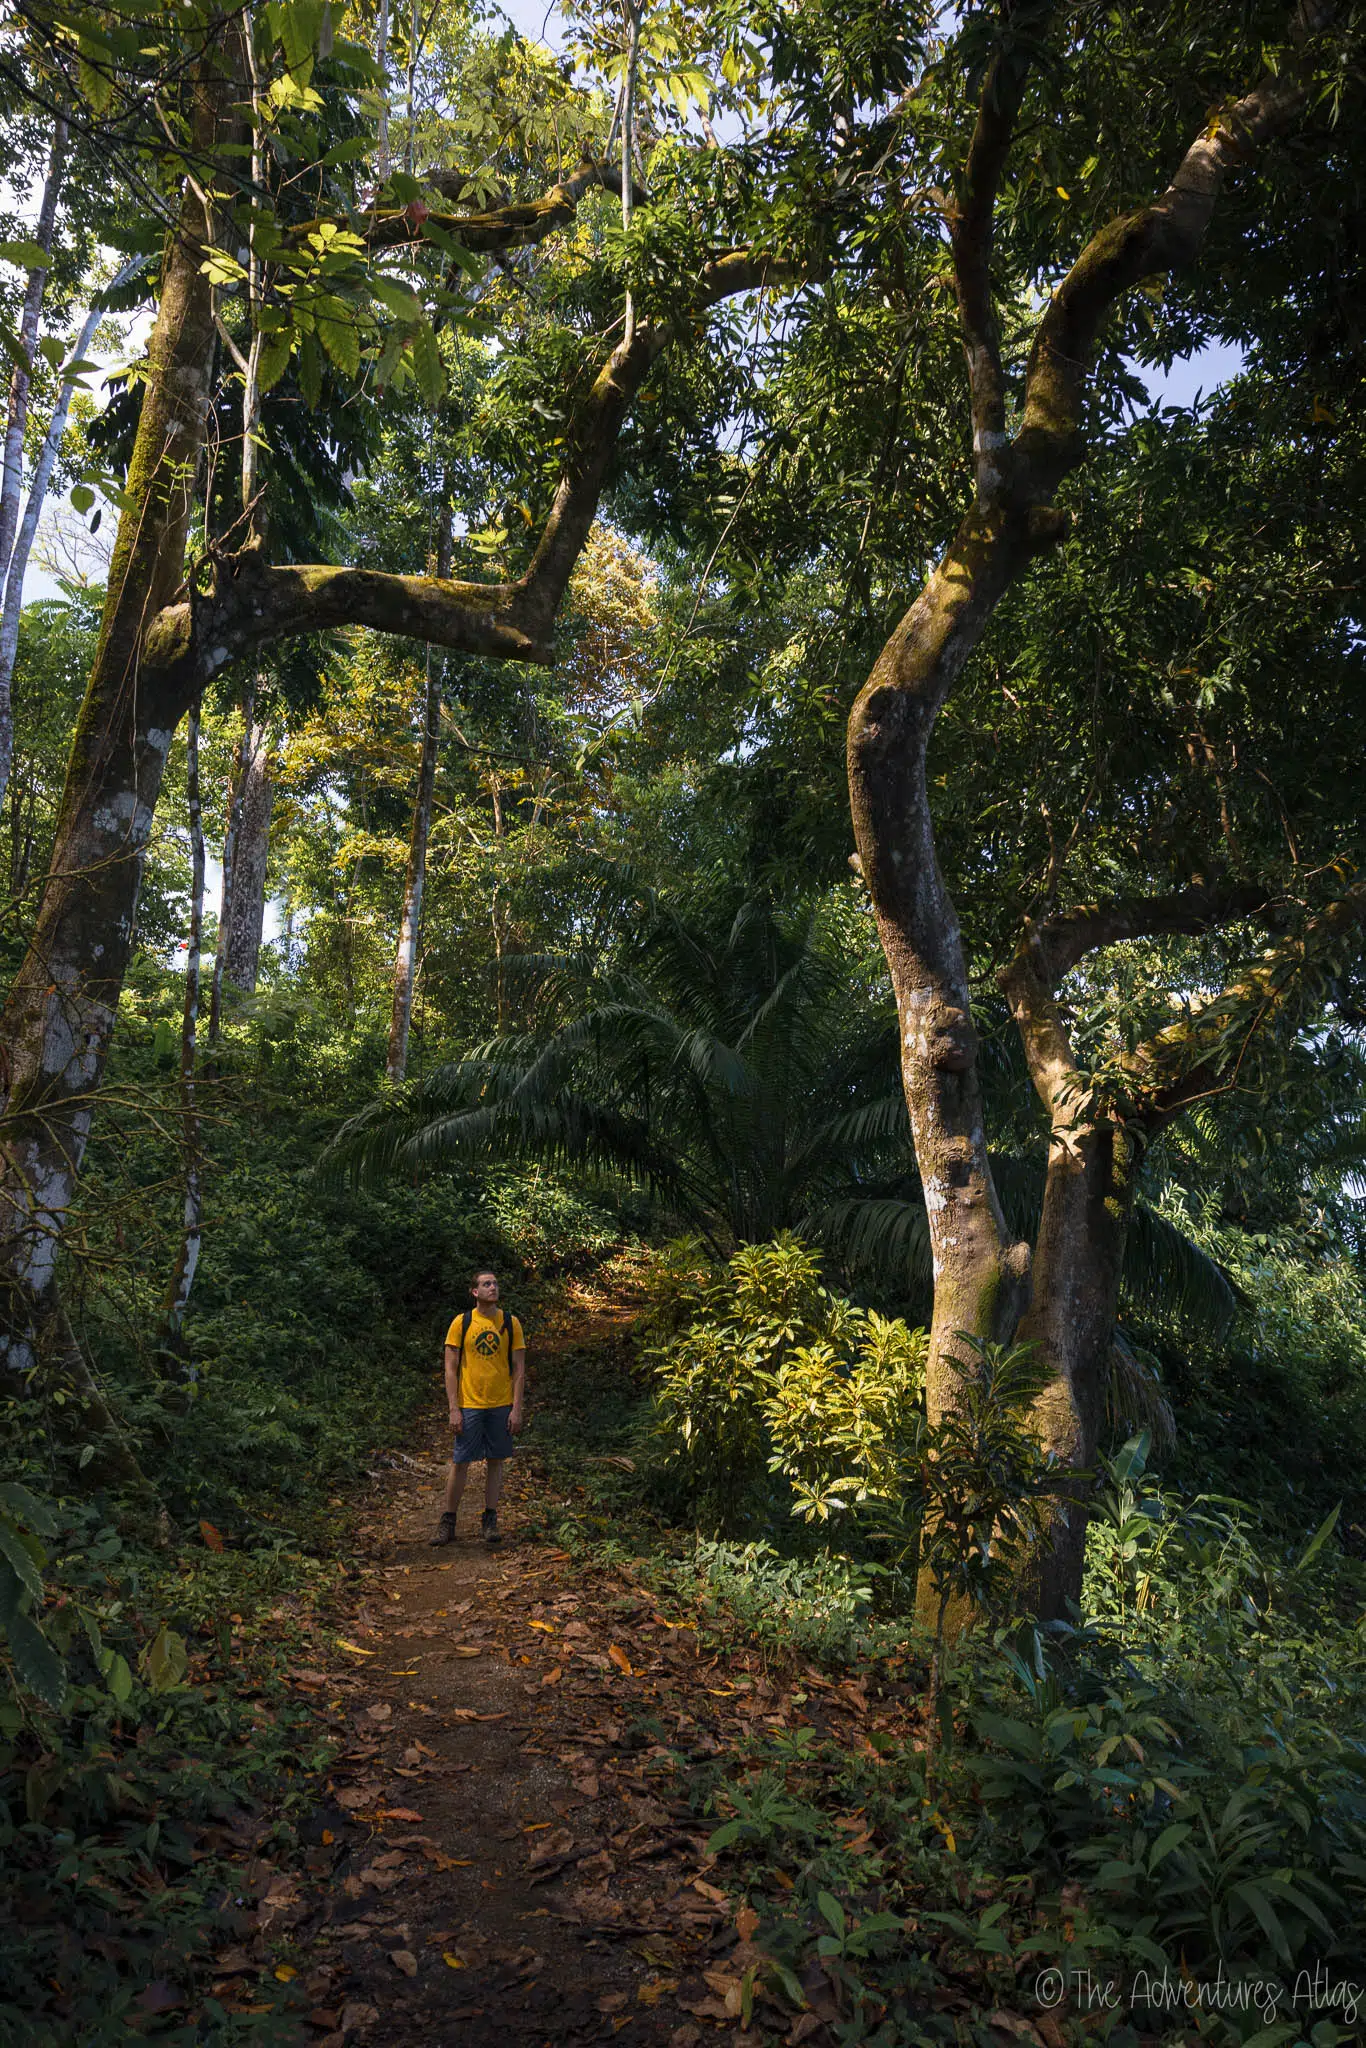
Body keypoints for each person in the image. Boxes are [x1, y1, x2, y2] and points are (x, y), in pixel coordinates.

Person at [430, 1268, 526, 1546]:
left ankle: (490, 1519)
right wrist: (453, 1408)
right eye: (486, 1284)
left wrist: (517, 1408)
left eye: (495, 1283)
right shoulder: (462, 1323)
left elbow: (519, 1369)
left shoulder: (510, 1322)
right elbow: (450, 1368)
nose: (493, 1287)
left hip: (501, 1403)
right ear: (475, 1292)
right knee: (461, 1462)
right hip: (470, 1403)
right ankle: (448, 1521)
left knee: (495, 1462)